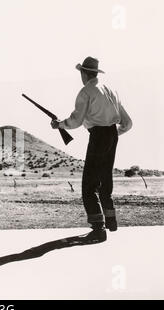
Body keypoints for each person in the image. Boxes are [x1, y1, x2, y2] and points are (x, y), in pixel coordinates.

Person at [51, 56, 132, 242]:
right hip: (112, 135)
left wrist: (60, 125)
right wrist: (112, 135)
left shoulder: (86, 92)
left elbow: (76, 120)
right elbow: (128, 123)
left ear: (84, 73)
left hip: (98, 136)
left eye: (81, 73)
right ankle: (111, 221)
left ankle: (98, 229)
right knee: (105, 180)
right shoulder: (111, 90)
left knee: (89, 186)